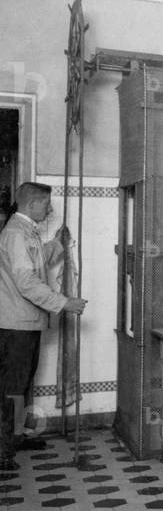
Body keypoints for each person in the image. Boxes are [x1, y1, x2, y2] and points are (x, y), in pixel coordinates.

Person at [0, 182, 87, 470]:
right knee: (13, 388)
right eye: (46, 205)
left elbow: (39, 261)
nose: (49, 209)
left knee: (22, 385)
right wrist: (64, 302)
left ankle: (15, 438)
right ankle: (3, 452)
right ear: (32, 204)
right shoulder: (15, 234)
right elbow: (26, 282)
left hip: (26, 323)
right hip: (16, 326)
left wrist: (58, 244)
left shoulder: (26, 230)